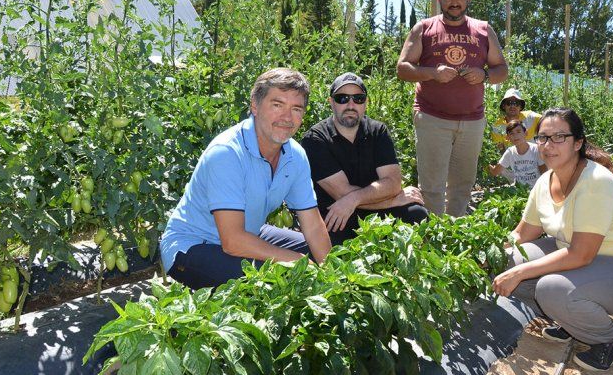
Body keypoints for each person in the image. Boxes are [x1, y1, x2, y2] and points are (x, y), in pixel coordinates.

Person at [492, 108, 613, 372]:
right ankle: (572, 322)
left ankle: (610, 338)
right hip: (585, 263)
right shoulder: (545, 182)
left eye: (559, 137)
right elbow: (522, 234)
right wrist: (487, 250)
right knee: (506, 260)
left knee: (550, 287)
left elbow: (581, 254)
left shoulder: (595, 182)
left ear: (578, 143)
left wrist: (520, 273)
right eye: (543, 137)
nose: (549, 145)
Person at [159, 68, 332, 289]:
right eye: (277, 105)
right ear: (255, 106)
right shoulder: (227, 153)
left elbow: (314, 226)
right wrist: (296, 261)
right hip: (194, 245)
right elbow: (233, 241)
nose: (287, 118)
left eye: (296, 109)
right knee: (273, 279)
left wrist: (332, 275)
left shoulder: (295, 155)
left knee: (319, 254)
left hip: (247, 233)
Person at [397, 0, 508, 216]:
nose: (454, 2)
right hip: (432, 117)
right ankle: (434, 231)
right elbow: (402, 68)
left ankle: (455, 230)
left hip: (472, 120)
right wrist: (432, 73)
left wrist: (484, 75)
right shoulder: (424, 28)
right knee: (432, 186)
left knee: (463, 184)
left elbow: (502, 70)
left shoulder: (483, 29)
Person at [301, 72, 429, 246]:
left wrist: (354, 199)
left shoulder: (378, 131)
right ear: (331, 102)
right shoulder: (315, 139)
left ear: (366, 103)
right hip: (338, 214)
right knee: (333, 239)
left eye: (358, 99)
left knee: (417, 214)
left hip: (366, 208)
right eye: (342, 98)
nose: (351, 105)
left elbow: (393, 183)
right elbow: (342, 193)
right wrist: (393, 200)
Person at [487, 119, 546, 188]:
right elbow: (495, 172)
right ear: (507, 137)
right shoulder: (510, 152)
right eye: (511, 133)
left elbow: (544, 174)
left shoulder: (536, 150)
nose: (515, 136)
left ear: (526, 133)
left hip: (537, 188)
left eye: (518, 132)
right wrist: (485, 161)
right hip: (520, 189)